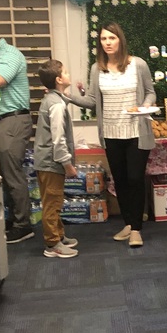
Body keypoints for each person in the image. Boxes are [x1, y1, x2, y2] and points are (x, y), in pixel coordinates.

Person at [64, 22, 156, 248]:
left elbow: (151, 92)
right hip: (111, 133)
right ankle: (128, 223)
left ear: (120, 40)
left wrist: (143, 106)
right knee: (121, 181)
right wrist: (68, 96)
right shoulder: (97, 68)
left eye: (112, 38)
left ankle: (136, 229)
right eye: (104, 39)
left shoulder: (138, 64)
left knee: (135, 179)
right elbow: (93, 101)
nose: (107, 43)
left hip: (136, 132)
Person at [0, 32, 34, 243]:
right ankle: (13, 220)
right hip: (2, 120)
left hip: (13, 120)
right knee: (5, 175)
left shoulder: (9, 54)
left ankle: (22, 225)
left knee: (12, 174)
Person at [34, 59, 79, 259]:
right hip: (51, 163)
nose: (69, 74)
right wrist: (67, 164)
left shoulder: (53, 99)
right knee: (52, 202)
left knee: (55, 199)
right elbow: (58, 139)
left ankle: (59, 235)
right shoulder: (57, 105)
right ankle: (52, 244)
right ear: (59, 79)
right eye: (66, 72)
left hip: (48, 162)